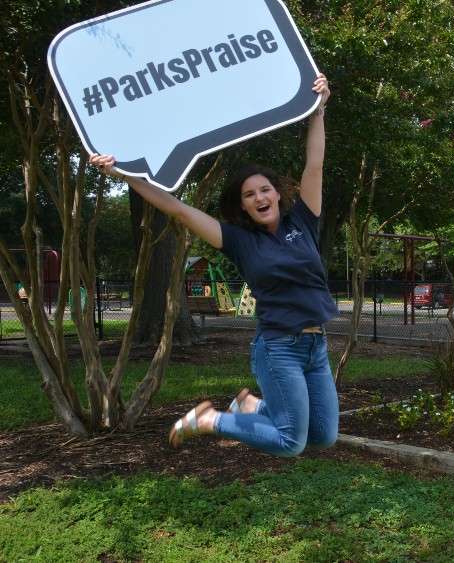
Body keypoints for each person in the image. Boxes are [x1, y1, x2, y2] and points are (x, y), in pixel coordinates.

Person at [90, 74, 337, 457]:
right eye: (249, 194)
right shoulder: (239, 241)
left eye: (265, 190)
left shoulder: (303, 221)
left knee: (323, 436)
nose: (259, 197)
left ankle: (254, 407)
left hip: (315, 344)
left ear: (277, 193)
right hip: (279, 348)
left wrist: (317, 110)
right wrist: (120, 173)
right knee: (291, 443)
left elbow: (314, 167)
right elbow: (176, 208)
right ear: (242, 205)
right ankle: (210, 420)